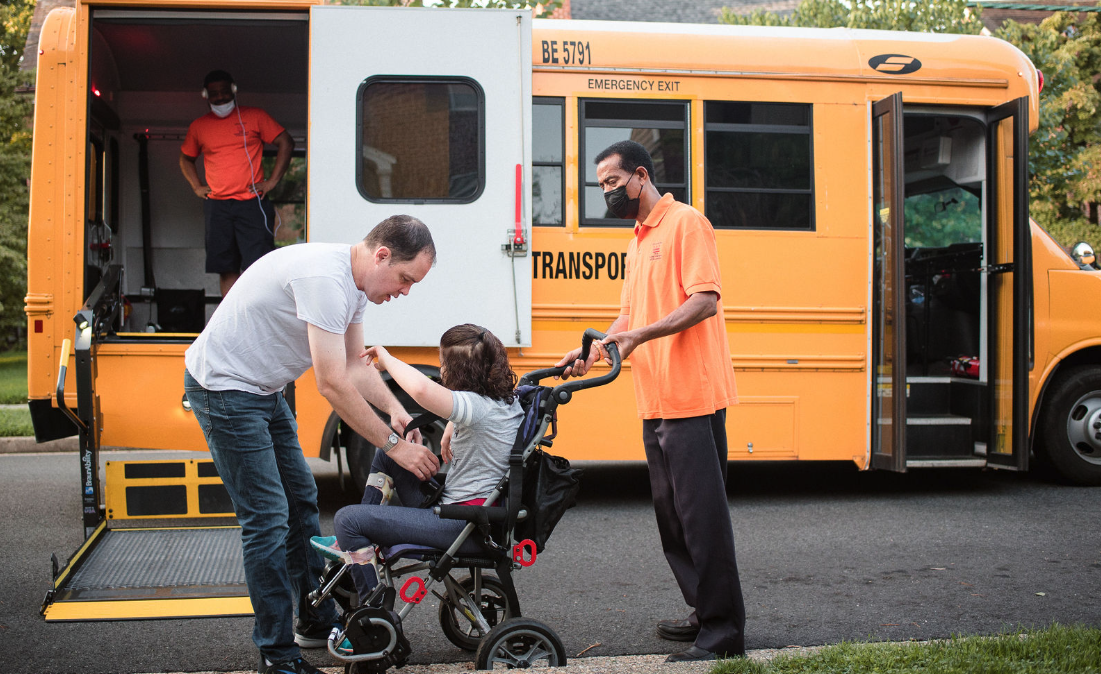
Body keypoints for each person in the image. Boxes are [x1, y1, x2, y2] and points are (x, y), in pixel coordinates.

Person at [183, 215, 440, 674]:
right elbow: (332, 384)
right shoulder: (326, 280)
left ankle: (315, 618)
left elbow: (356, 365)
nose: (404, 291)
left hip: (263, 388)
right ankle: (278, 657)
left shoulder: (355, 285)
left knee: (301, 500)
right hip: (225, 390)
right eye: (405, 278)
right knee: (267, 519)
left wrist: (396, 413)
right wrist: (395, 446)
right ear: (382, 254)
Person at [556, 140, 745, 661]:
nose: (608, 194)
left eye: (613, 183)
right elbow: (629, 316)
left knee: (702, 520)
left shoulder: (686, 223)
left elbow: (704, 301)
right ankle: (703, 610)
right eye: (601, 187)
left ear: (641, 176)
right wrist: (595, 352)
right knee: (673, 520)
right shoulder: (637, 240)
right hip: (655, 397)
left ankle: (724, 632)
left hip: (692, 396)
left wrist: (640, 337)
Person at [311, 324, 522, 607]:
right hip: (466, 516)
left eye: (443, 364)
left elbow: (422, 389)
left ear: (457, 371)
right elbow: (473, 416)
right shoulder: (503, 402)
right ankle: (361, 542)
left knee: (347, 520)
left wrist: (385, 359)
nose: (441, 370)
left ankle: (374, 614)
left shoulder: (475, 407)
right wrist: (452, 424)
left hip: (461, 525)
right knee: (391, 452)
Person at [180, 69, 295, 297]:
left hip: (252, 203)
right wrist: (196, 186)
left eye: (225, 91)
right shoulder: (198, 126)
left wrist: (271, 182)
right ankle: (231, 322)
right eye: (214, 93)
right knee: (226, 267)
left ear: (234, 90)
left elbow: (286, 142)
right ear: (205, 95)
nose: (220, 97)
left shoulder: (255, 116)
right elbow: (186, 158)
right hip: (217, 206)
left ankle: (258, 319)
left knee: (258, 266)